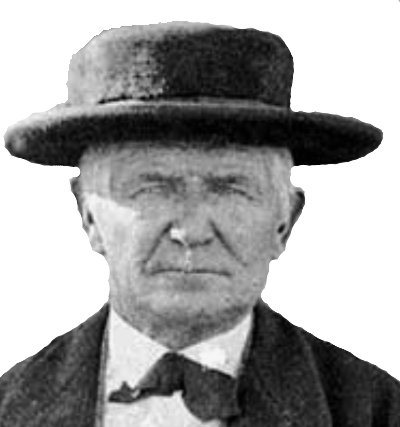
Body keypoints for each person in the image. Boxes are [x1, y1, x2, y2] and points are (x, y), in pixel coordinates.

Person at [1, 21, 397, 427]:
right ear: (87, 215)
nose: (192, 233)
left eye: (231, 189)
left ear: (285, 222)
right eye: (152, 188)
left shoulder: (378, 410)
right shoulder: (8, 407)